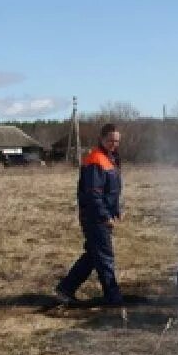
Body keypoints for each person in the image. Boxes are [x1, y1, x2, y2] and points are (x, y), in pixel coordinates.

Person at [56, 123, 124, 306]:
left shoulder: (109, 158)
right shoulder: (96, 160)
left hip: (101, 215)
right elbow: (94, 194)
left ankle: (66, 288)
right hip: (95, 217)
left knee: (94, 255)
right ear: (102, 138)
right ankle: (112, 296)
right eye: (110, 140)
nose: (114, 144)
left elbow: (111, 190)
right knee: (104, 256)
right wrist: (105, 215)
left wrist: (116, 210)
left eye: (117, 141)